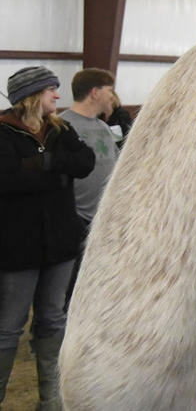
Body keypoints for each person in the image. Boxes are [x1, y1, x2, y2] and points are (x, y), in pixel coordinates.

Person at [1, 66, 95, 409]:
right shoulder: (4, 132)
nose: (57, 95)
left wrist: (42, 163)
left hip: (60, 246)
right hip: (17, 249)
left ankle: (51, 401)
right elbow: (7, 179)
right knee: (9, 326)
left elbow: (85, 162)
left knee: (53, 319)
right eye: (51, 90)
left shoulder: (60, 128)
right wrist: (54, 170)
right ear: (32, 95)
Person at [59, 68, 120, 311]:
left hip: (102, 219)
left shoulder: (104, 128)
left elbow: (115, 164)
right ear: (95, 92)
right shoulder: (62, 125)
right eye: (108, 91)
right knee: (67, 286)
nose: (112, 97)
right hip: (73, 219)